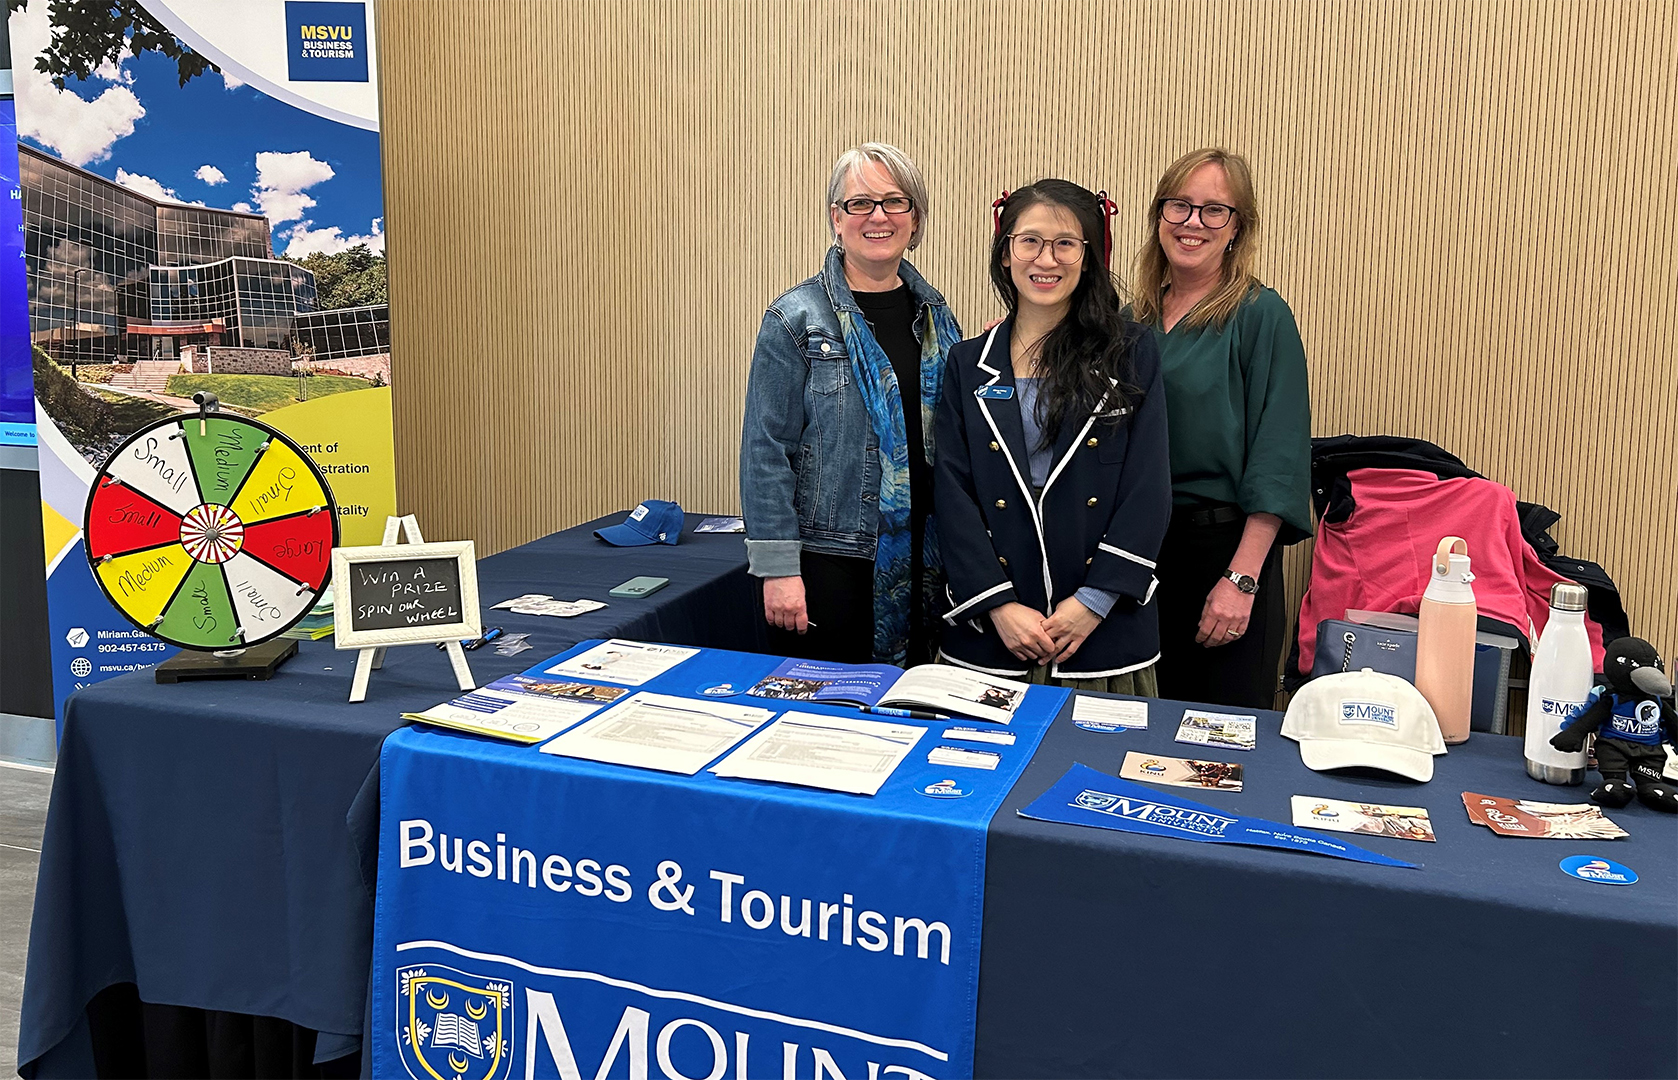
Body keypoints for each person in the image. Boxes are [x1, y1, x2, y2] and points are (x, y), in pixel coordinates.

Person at [935, 180, 1171, 690]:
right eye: (1030, 241)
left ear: (1089, 258)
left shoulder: (1131, 353)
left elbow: (1147, 489)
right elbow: (952, 495)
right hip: (993, 634)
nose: (1047, 258)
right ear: (1005, 254)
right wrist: (997, 604)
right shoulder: (966, 365)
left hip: (1099, 633)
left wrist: (1093, 602)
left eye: (1066, 243)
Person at [740, 143, 962, 666]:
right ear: (836, 219)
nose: (878, 216)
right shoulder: (795, 318)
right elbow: (765, 451)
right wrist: (778, 570)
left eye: (894, 202)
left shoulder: (937, 319)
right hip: (827, 563)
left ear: (916, 219)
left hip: (924, 560)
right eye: (860, 203)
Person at [1129, 148, 1313, 708]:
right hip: (1138, 552)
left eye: (1214, 211)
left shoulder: (1259, 315)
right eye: (1179, 206)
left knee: (1220, 749)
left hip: (1225, 552)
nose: (1192, 223)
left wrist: (1242, 579)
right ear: (1159, 214)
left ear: (1238, 228)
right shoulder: (1131, 316)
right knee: (1140, 733)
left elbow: (1278, 454)